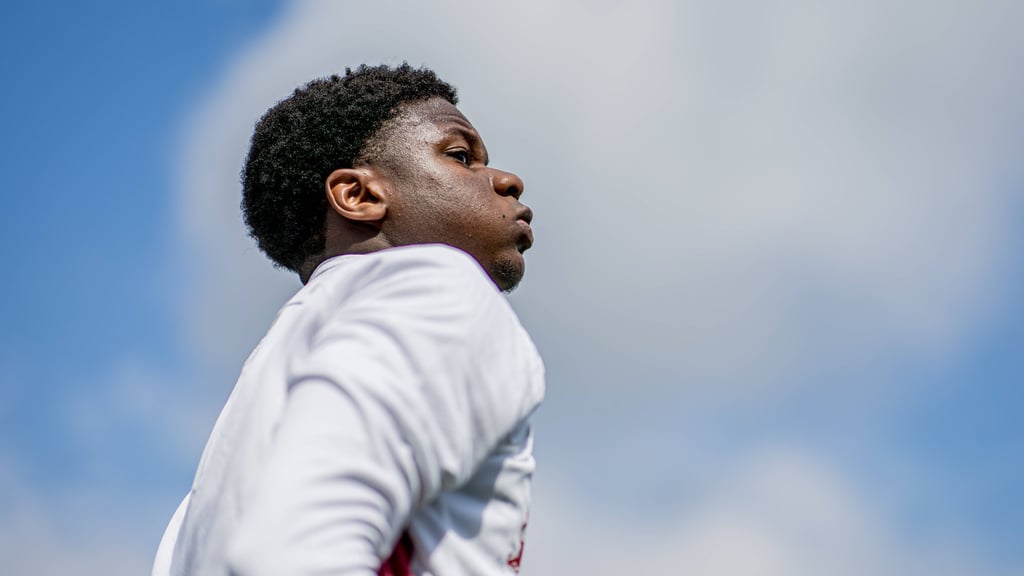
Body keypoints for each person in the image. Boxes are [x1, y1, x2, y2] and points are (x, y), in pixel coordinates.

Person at [152, 63, 545, 576]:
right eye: (459, 156)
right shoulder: (439, 290)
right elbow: (291, 554)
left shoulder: (206, 491)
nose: (507, 180)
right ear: (359, 196)